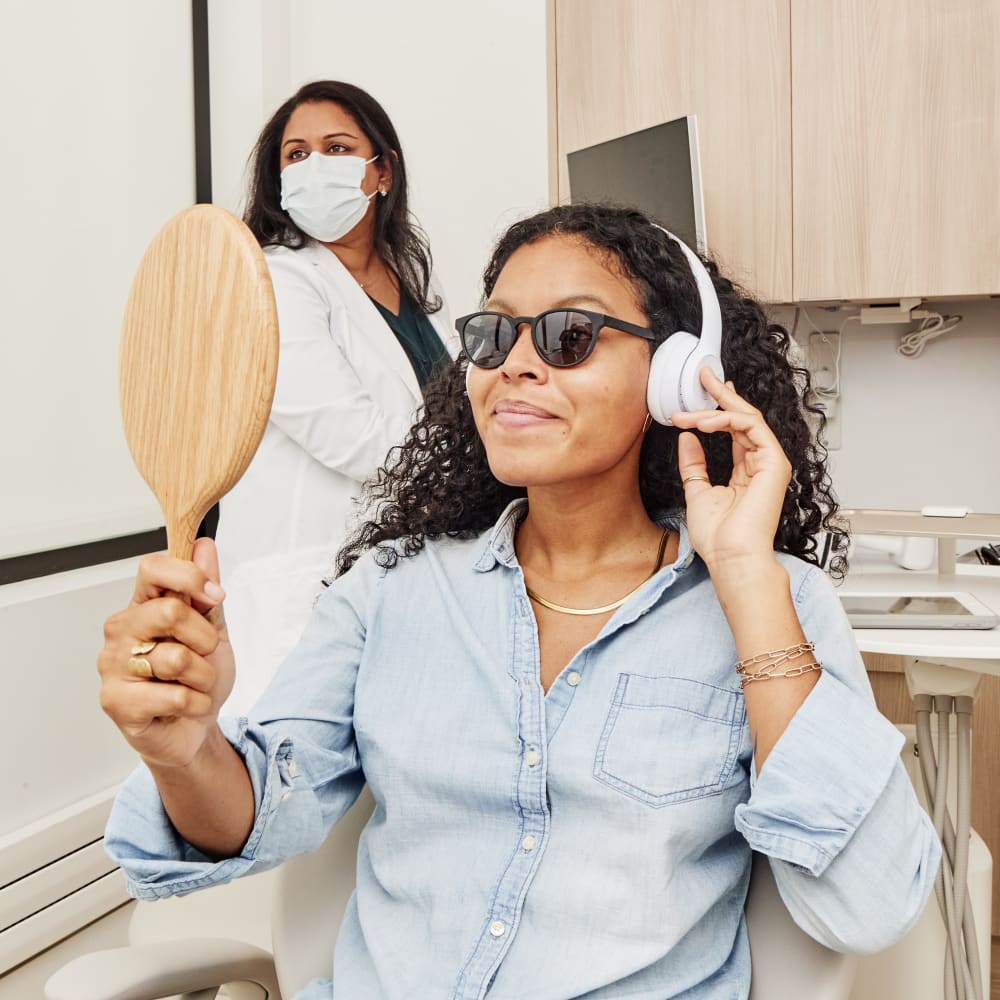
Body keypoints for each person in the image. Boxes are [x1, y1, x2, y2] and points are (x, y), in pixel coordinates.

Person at [99, 204, 940, 1000]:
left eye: (570, 335)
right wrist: (185, 749)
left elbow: (865, 905)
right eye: (493, 334)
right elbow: (253, 818)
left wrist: (746, 579)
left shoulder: (773, 596)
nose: (515, 364)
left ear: (676, 376)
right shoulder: (390, 589)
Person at [217, 80, 457, 711]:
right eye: (296, 155)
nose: (313, 165)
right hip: (304, 578)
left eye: (336, 146)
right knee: (279, 782)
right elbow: (355, 437)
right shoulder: (273, 279)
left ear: (381, 172)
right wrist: (485, 459)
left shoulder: (412, 291)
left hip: (402, 571)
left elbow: (457, 413)